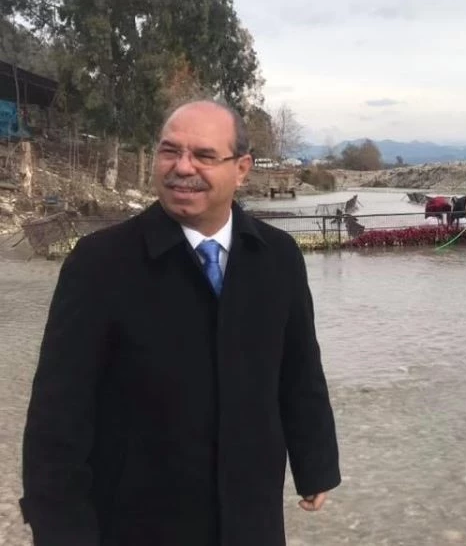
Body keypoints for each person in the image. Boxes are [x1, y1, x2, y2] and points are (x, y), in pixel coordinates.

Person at [20, 101, 341, 546]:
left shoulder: (278, 257)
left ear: (241, 169)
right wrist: (59, 529)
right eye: (170, 151)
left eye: (204, 155)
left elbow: (300, 370)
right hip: (136, 519)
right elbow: (58, 412)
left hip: (250, 514)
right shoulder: (99, 263)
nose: (182, 167)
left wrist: (315, 462)